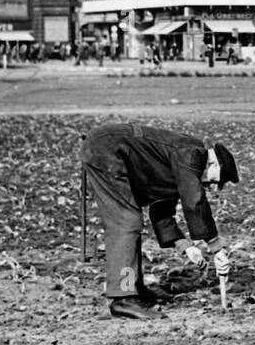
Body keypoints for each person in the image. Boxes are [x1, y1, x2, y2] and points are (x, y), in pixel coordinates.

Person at [80, 123, 240, 320]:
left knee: (129, 221)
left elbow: (161, 211)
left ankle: (134, 288)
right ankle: (123, 298)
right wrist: (216, 247)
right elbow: (194, 200)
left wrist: (186, 246)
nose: (210, 186)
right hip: (108, 149)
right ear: (214, 164)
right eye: (215, 181)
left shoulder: (179, 165)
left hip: (110, 150)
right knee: (126, 221)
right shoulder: (192, 154)